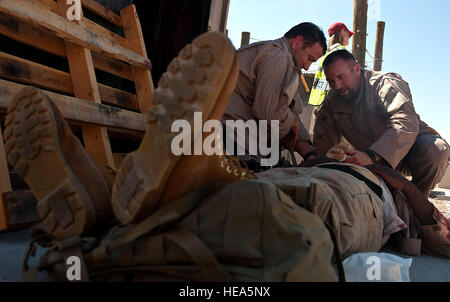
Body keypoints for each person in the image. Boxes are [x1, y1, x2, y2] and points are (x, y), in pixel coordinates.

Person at [5, 32, 449, 261]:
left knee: (290, 209)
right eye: (326, 77)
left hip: (382, 169)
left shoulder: (385, 84)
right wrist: (319, 153)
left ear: (357, 68)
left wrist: (375, 164)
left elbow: (404, 130)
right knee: (265, 191)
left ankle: (116, 205)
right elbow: (322, 139)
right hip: (342, 178)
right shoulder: (329, 96)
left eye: (337, 76)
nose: (331, 83)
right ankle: (112, 204)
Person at [313, 49, 450, 197]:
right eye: (331, 81)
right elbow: (323, 142)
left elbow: (404, 122)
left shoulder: (384, 83)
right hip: (374, 161)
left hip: (410, 151)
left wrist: (371, 155)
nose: (337, 85)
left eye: (341, 77)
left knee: (436, 150)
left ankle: (417, 202)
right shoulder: (332, 101)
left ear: (357, 69)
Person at [221, 22, 327, 171]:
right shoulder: (279, 58)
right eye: (309, 58)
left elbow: (291, 108)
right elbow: (269, 113)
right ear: (297, 42)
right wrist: (292, 121)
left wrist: (310, 155)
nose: (308, 66)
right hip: (230, 142)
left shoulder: (280, 58)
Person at [309, 22, 354, 106]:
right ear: (343, 32)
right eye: (348, 34)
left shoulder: (325, 54)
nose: (349, 37)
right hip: (335, 104)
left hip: (319, 102)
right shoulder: (341, 51)